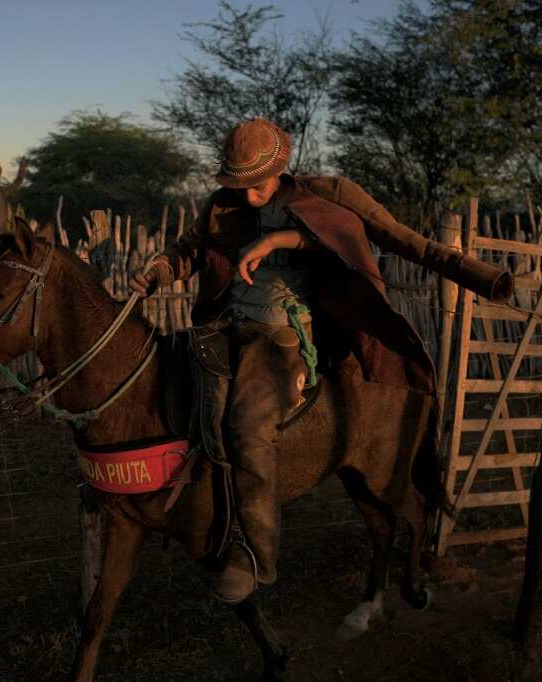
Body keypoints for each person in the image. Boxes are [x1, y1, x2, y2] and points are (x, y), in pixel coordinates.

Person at [128, 117, 507, 604]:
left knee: (248, 426)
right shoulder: (222, 206)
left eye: (258, 187)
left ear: (281, 170)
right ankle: (199, 519)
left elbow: (400, 239)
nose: (250, 198)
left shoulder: (329, 195)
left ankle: (255, 555)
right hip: (221, 329)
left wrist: (482, 277)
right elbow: (187, 252)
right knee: (180, 407)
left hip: (281, 340)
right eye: (240, 187)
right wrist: (159, 270)